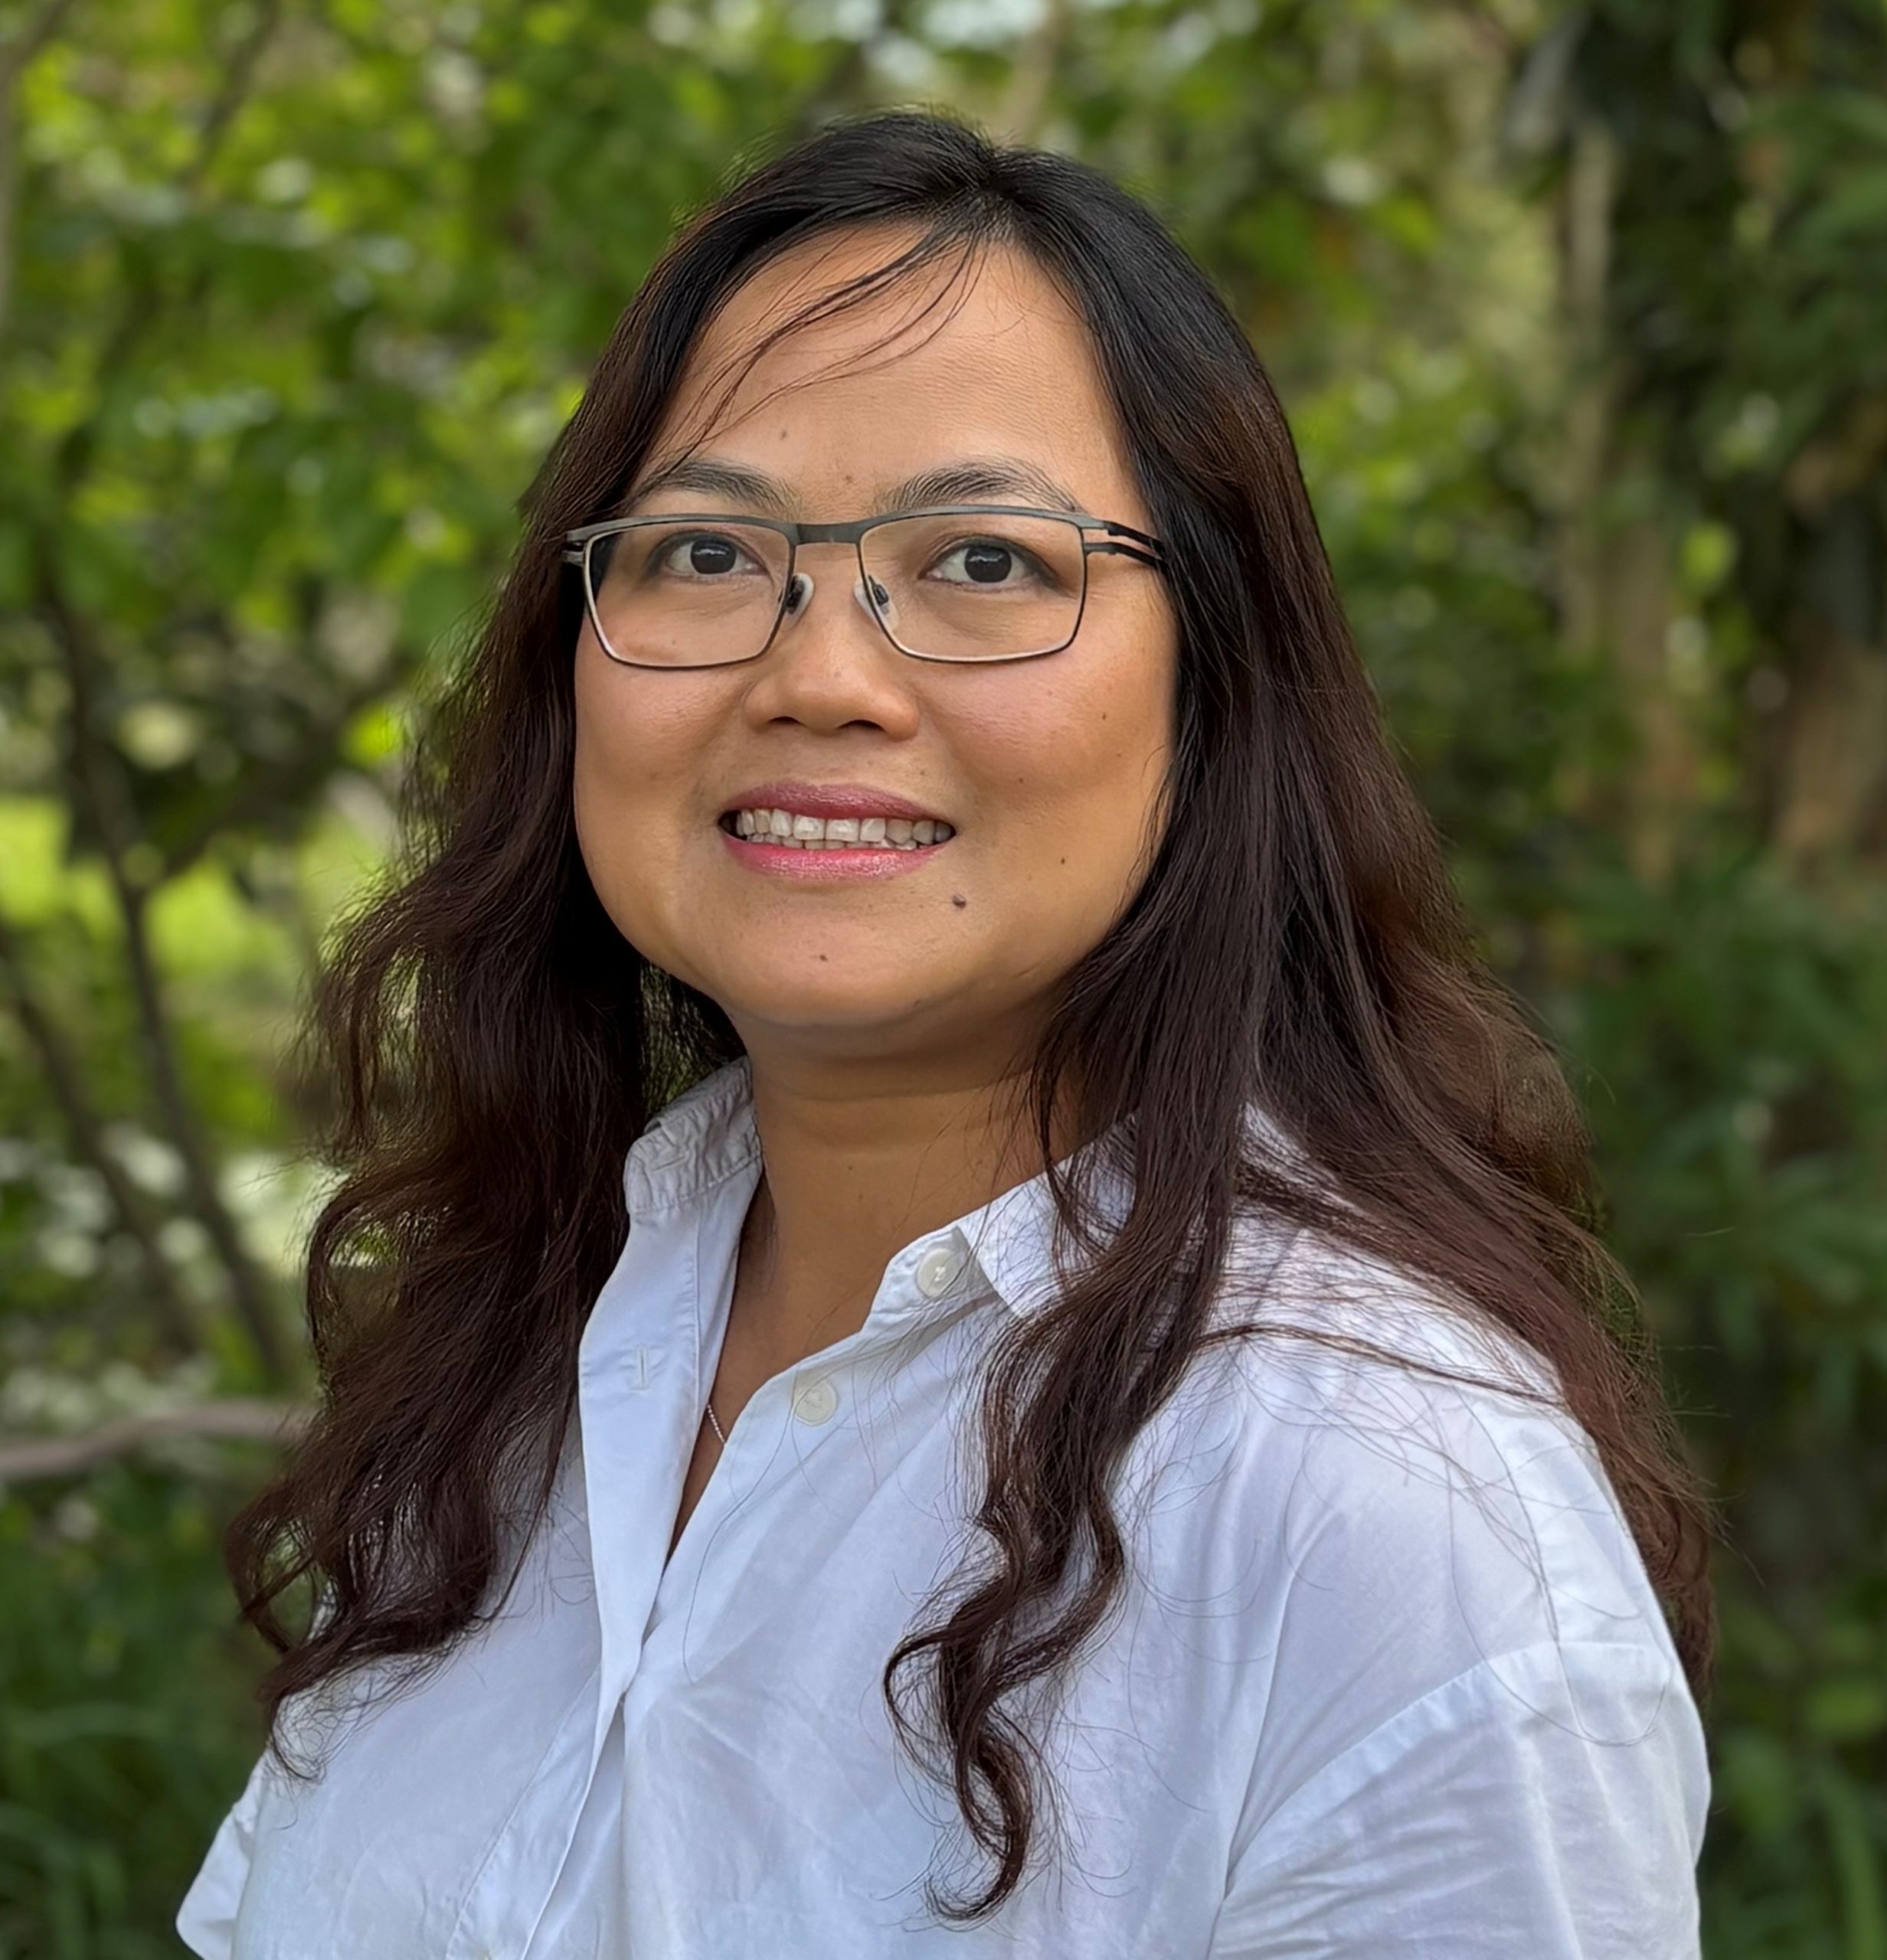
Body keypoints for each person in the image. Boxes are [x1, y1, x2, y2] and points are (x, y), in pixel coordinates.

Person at [176, 108, 1714, 1958]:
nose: (818, 674)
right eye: (703, 549)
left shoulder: (1382, 1513)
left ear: (1212, 686)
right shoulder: (524, 1360)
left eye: (983, 561)